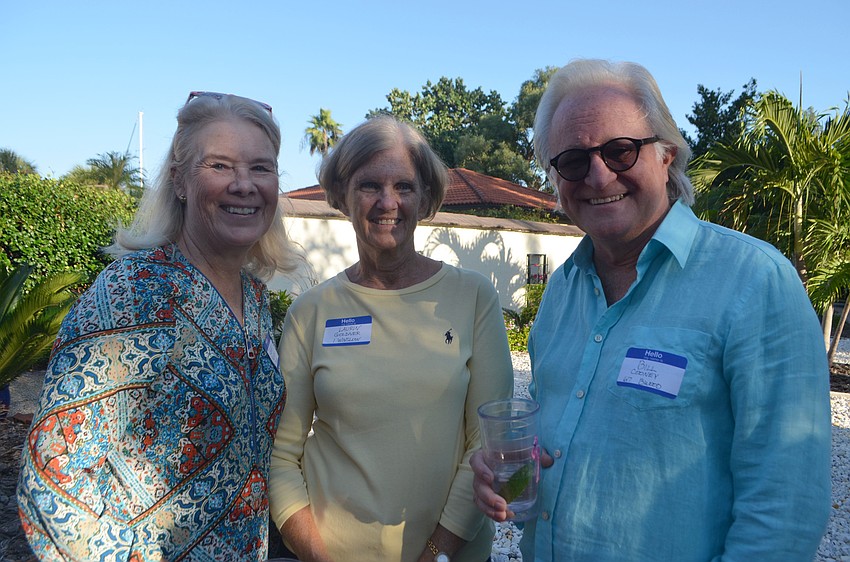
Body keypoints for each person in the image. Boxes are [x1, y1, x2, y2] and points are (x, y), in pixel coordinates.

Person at [470, 59, 832, 561]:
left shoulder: (754, 282)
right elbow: (550, 447)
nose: (598, 176)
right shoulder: (560, 293)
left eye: (620, 151)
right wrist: (505, 479)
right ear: (555, 178)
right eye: (573, 160)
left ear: (667, 153)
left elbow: (785, 509)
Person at [17, 91, 299, 561]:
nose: (244, 184)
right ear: (180, 181)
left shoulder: (254, 298)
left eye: (260, 168)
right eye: (220, 166)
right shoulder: (139, 290)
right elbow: (53, 472)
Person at [269, 115, 513, 562]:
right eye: (369, 186)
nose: (388, 202)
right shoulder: (311, 312)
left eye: (404, 186)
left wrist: (437, 553)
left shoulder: (473, 297)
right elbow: (281, 455)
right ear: (342, 196)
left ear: (425, 198)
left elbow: (487, 444)